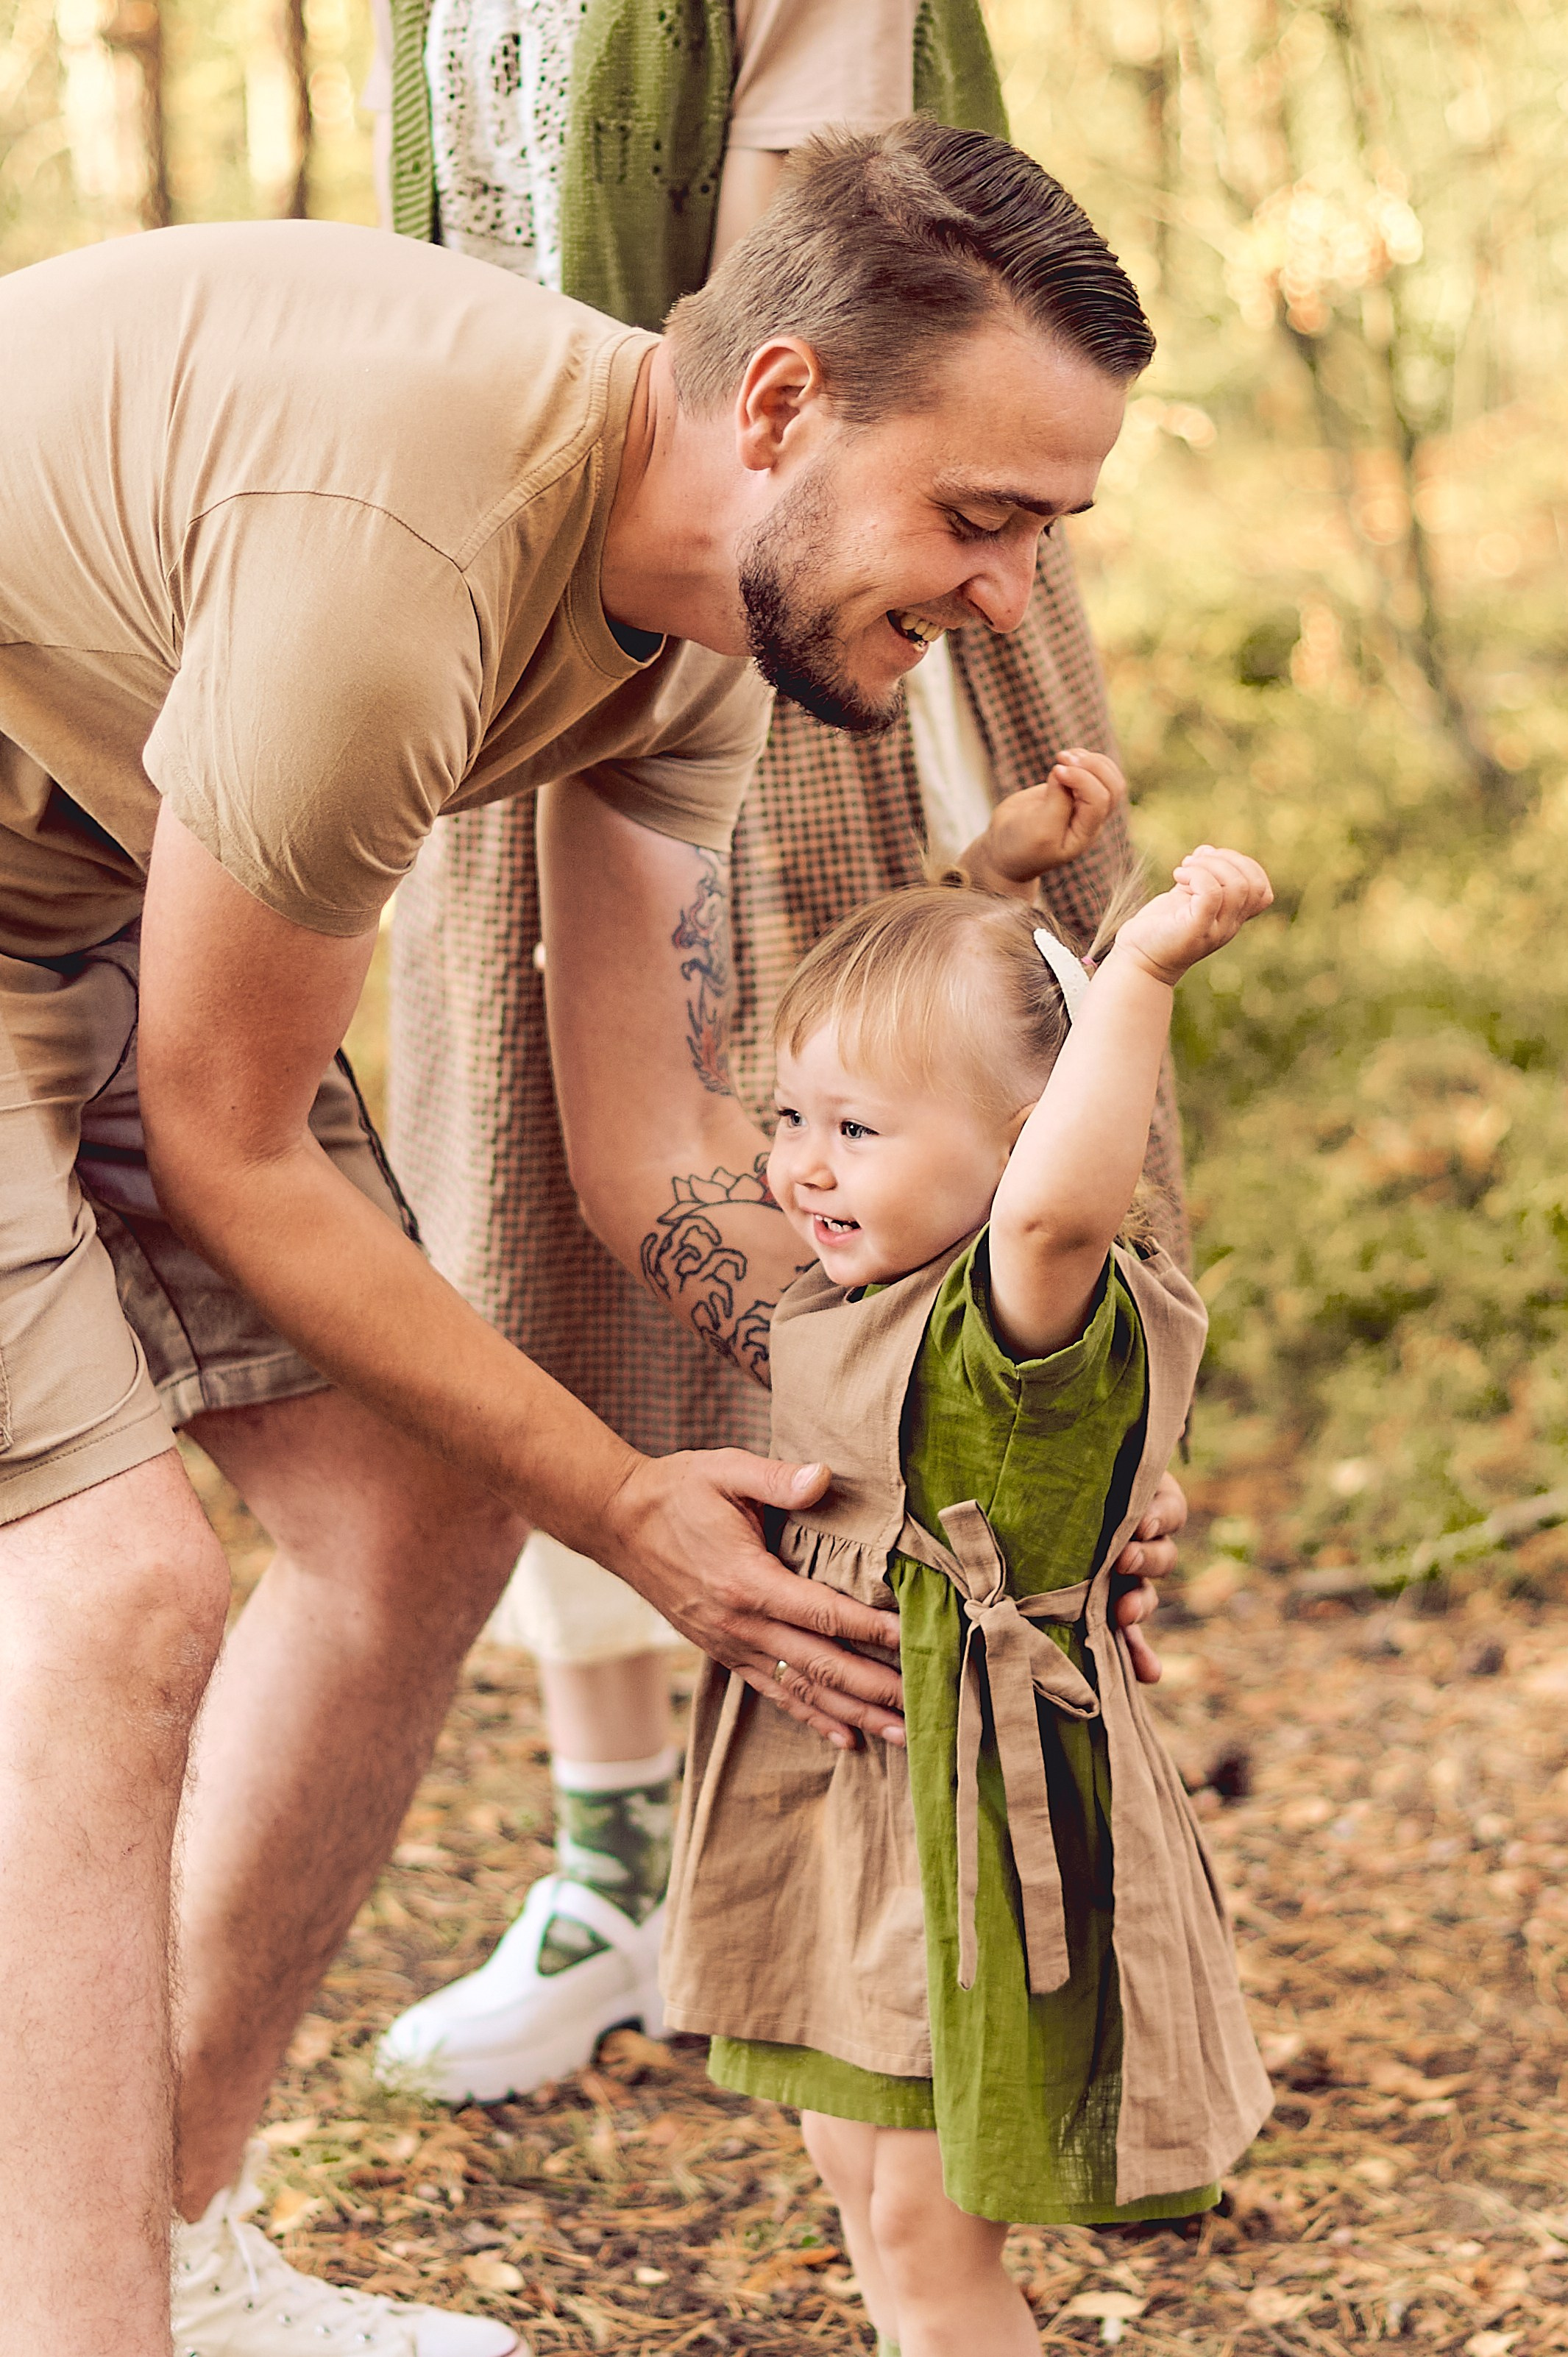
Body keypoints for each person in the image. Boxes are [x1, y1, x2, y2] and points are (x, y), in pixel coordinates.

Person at [0, 118, 1146, 2356]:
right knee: (115, 1581)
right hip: (58, 900)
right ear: (785, 404)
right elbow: (233, 1145)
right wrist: (624, 1501)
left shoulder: (725, 620)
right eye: (980, 517)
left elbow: (655, 1137)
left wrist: (980, 1415)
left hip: (91, 883)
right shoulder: (398, 550)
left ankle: (172, 2229)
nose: (1012, 596)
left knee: (419, 1489)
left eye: (1046, 530)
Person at [374, 0, 1191, 2101]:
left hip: (785, 529)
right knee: (533, 1221)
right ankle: (619, 1853)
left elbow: (838, 250)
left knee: (879, 1145)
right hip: (534, 555)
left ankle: (992, 1837)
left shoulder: (876, 517)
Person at [659, 846, 1277, 2357]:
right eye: (793, 1118)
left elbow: (1057, 1215)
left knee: (930, 2230)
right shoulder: (860, 1294)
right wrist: (979, 890)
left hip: (972, 1831)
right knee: (856, 2174)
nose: (803, 1163)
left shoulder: (1024, 1314)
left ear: (1025, 1147)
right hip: (852, 1813)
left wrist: (1133, 976)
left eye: (856, 1129)